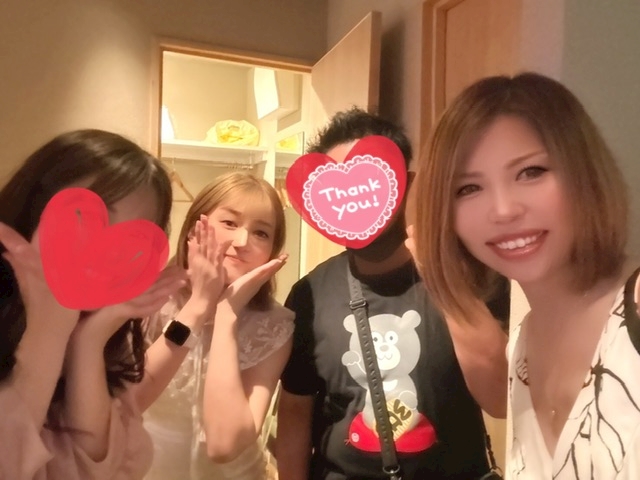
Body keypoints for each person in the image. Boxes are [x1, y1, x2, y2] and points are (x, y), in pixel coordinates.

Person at [410, 72, 640, 479]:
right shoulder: (522, 346)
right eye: (468, 189)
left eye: (531, 172)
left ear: (584, 172)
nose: (504, 210)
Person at [276, 107, 511, 480]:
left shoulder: (469, 272)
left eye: (367, 179)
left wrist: (444, 280)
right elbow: (294, 412)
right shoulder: (310, 294)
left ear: (405, 183)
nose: (352, 197)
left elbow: (502, 399)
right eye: (336, 191)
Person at [0, 129, 186, 480]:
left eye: (130, 239)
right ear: (34, 204)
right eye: (83, 218)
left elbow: (102, 469)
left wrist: (88, 340)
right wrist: (48, 331)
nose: (105, 251)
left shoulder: (111, 333)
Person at [141, 172, 294, 480]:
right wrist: (200, 302)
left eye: (261, 233)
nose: (242, 242)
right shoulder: (148, 298)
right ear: (194, 227)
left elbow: (225, 445)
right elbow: (126, 403)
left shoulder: (275, 325)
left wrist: (227, 314)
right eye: (229, 223)